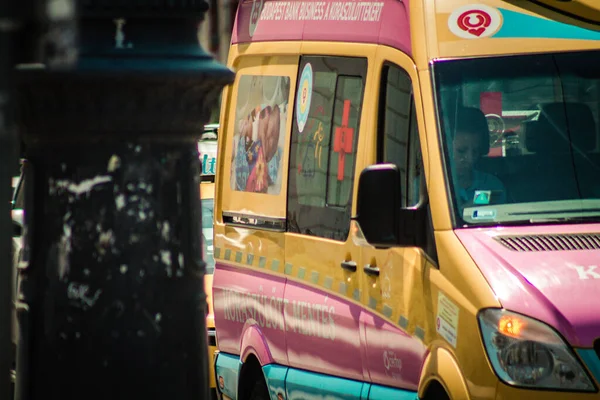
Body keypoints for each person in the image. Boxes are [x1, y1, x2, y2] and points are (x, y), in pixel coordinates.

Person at [449, 106, 506, 210]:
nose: (470, 159)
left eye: (475, 151)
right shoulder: (434, 188)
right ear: (446, 148)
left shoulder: (490, 185)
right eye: (461, 151)